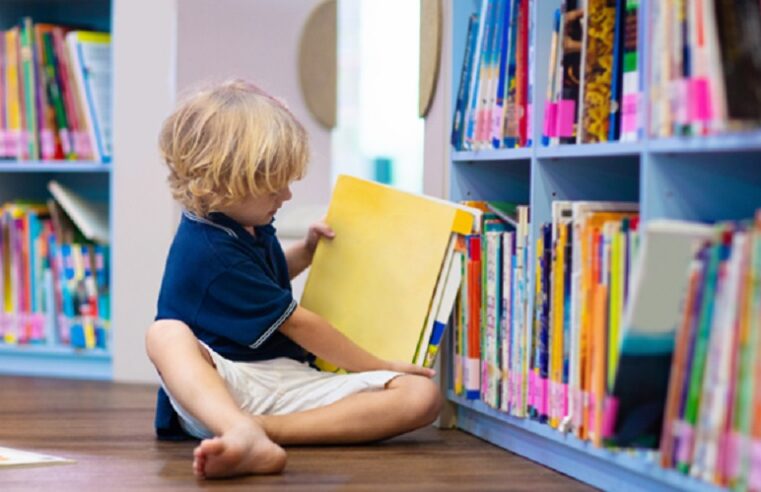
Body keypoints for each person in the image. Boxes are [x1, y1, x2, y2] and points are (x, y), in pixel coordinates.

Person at [145, 80, 442, 479]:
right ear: (224, 182)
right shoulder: (208, 249)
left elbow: (260, 284)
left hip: (282, 379)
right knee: (165, 334)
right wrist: (379, 365)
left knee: (421, 396)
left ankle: (255, 432)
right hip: (223, 386)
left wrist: (304, 252)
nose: (286, 195)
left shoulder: (245, 221)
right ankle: (236, 425)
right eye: (272, 187)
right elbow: (299, 323)